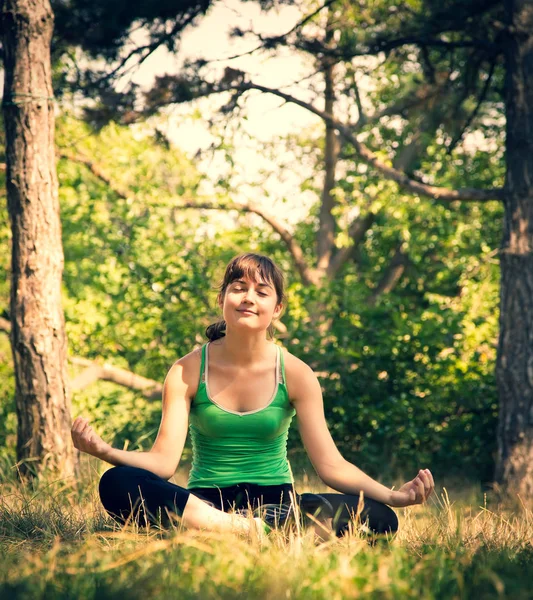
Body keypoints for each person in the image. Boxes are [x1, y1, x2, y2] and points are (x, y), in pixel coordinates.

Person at [71, 253, 434, 538]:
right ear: (223, 299)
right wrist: (105, 453)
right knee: (117, 483)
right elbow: (164, 463)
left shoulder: (295, 373)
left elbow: (331, 467)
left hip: (279, 507)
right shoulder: (185, 371)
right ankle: (246, 532)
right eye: (238, 288)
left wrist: (392, 496)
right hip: (206, 503)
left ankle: (228, 533)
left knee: (380, 519)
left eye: (261, 292)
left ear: (276, 309)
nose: (248, 298)